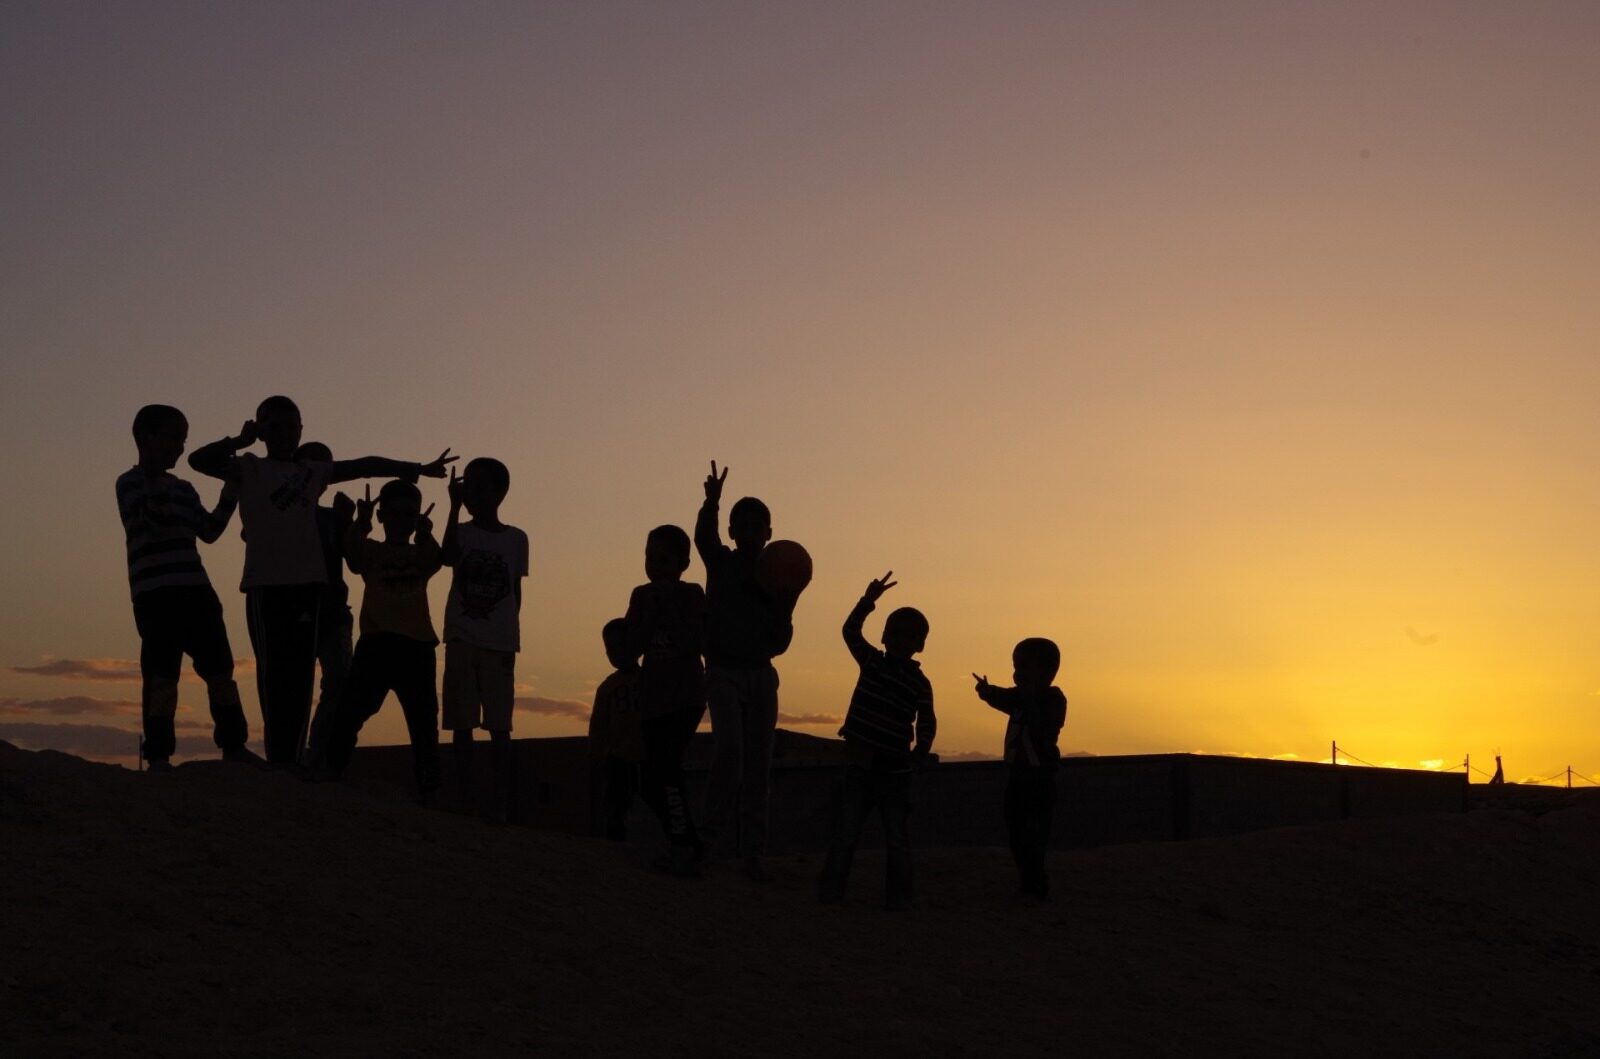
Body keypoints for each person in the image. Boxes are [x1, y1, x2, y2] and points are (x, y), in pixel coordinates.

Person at [187, 395, 455, 766]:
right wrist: (239, 440)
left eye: (290, 426)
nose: (282, 433)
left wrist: (415, 469)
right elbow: (197, 460)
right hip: (266, 587)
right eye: (273, 426)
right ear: (262, 430)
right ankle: (280, 757)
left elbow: (365, 465)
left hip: (308, 589)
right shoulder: (247, 468)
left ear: (301, 431)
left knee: (300, 680)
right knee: (273, 674)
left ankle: (293, 760)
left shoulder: (312, 473)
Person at [116, 405, 256, 770]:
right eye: (173, 438)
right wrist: (152, 478)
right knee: (162, 675)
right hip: (155, 596)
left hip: (196, 592)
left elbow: (208, 532)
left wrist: (231, 493)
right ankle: (159, 754)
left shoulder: (185, 489)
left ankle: (233, 744)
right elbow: (152, 518)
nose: (179, 448)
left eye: (182, 440)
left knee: (220, 670)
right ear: (147, 437)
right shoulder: (128, 484)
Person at [694, 461, 796, 880]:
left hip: (760, 675)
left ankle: (753, 852)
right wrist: (712, 503)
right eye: (744, 526)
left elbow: (779, 644)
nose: (752, 533)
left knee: (758, 766)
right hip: (722, 672)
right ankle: (709, 844)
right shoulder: (722, 562)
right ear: (734, 532)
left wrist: (786, 607)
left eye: (759, 526)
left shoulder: (778, 577)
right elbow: (704, 538)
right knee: (729, 755)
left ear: (769, 533)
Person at [818, 572, 935, 910]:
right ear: (884, 636)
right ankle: (830, 894)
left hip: (895, 772)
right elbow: (850, 631)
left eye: (909, 636)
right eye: (896, 633)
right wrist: (869, 599)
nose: (901, 640)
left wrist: (922, 748)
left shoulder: (920, 683)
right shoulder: (871, 662)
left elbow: (927, 719)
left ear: (920, 644)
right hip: (859, 765)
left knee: (897, 840)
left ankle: (898, 901)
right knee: (845, 835)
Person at [322, 480, 443, 799]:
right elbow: (353, 555)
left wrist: (426, 533)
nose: (403, 520)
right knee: (351, 711)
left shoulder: (420, 553)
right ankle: (331, 767)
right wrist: (361, 523)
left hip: (417, 645)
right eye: (397, 513)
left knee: (424, 722)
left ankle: (429, 787)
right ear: (383, 515)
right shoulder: (373, 551)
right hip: (377, 643)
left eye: (410, 514)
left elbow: (435, 560)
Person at [440, 459, 529, 819]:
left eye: (479, 486)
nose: (471, 493)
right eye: (468, 486)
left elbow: (514, 590)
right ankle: (467, 800)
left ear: (499, 492)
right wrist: (452, 507)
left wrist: (508, 632)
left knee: (499, 726)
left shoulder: (516, 538)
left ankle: (499, 802)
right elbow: (446, 557)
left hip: (500, 642)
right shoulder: (461, 532)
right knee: (461, 723)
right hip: (462, 637)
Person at [625, 525, 708, 876]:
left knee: (667, 771)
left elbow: (694, 642)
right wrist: (650, 614)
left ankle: (683, 849)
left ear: (683, 563)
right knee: (650, 779)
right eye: (649, 558)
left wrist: (667, 610)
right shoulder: (640, 595)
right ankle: (685, 840)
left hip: (684, 698)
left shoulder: (692, 594)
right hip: (653, 699)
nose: (654, 566)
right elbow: (629, 648)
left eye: (663, 559)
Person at [974, 637, 1067, 900]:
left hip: (1040, 779)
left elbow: (1043, 729)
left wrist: (1026, 699)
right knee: (1015, 830)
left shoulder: (1053, 699)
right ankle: (1029, 879)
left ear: (1047, 671)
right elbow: (1001, 697)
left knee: (1035, 834)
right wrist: (986, 691)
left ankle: (1034, 884)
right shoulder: (1017, 698)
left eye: (1025, 666)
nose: (1017, 672)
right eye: (1015, 666)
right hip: (1017, 777)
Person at [294, 441, 355, 771]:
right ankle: (294, 753)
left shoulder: (333, 518)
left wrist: (353, 524)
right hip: (296, 612)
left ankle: (317, 753)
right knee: (296, 686)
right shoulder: (284, 512)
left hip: (333, 612)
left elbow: (355, 560)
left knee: (340, 681)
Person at [587, 619, 643, 840]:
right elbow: (598, 725)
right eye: (611, 648)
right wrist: (595, 754)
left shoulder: (650, 678)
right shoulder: (607, 687)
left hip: (646, 757)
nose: (617, 653)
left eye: (622, 645)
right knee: (616, 806)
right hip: (617, 758)